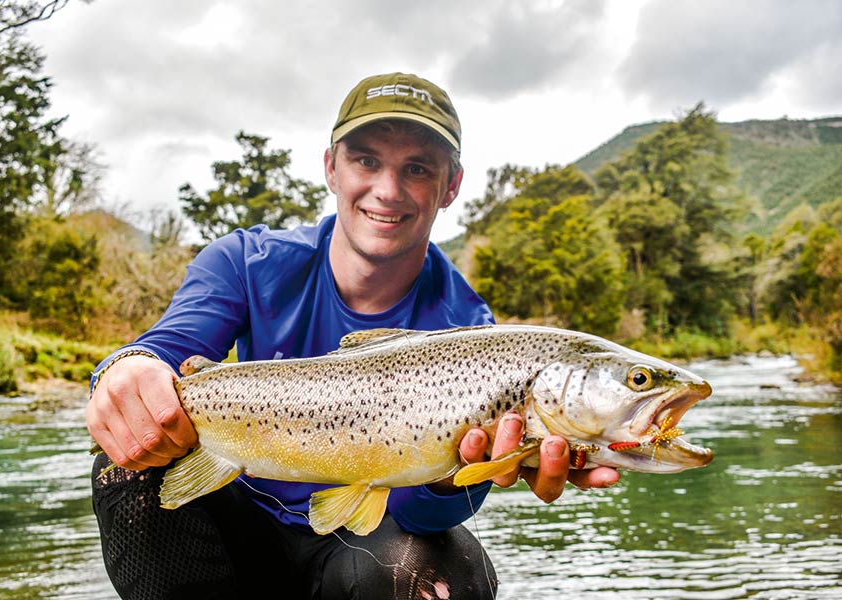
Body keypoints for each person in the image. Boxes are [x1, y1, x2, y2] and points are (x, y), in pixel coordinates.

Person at [86, 71, 620, 600]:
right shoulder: (244, 261)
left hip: (360, 547)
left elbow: (422, 515)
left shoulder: (473, 335)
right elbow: (164, 348)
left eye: (416, 168)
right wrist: (127, 368)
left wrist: (452, 475)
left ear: (450, 186)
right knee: (126, 462)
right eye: (367, 160)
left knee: (443, 575)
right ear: (331, 169)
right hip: (234, 521)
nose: (387, 191)